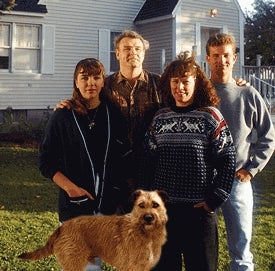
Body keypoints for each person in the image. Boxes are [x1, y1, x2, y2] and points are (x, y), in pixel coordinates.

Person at [138, 53, 236, 271]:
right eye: (175, 81)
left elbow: (228, 159)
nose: (179, 87)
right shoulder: (160, 118)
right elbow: (147, 162)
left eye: (185, 81)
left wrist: (214, 199)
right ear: (168, 84)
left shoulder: (210, 117)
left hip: (199, 213)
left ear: (196, 83)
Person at [39, 58, 132, 271]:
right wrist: (71, 189)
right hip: (75, 208)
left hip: (108, 206)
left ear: (103, 82)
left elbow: (123, 157)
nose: (91, 82)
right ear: (76, 82)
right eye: (85, 77)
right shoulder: (63, 115)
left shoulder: (113, 114)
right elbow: (45, 161)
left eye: (96, 77)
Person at [206, 33, 275, 271]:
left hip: (237, 180)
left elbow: (269, 136)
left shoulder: (248, 94)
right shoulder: (200, 94)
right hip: (204, 181)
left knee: (241, 249)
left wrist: (252, 169)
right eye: (215, 56)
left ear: (234, 58)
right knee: (202, 247)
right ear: (208, 58)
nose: (221, 60)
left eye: (226, 55)